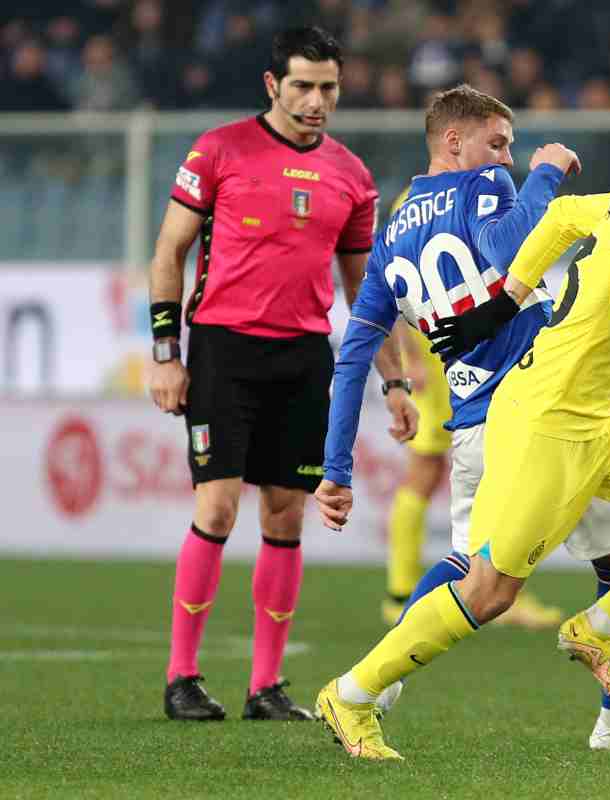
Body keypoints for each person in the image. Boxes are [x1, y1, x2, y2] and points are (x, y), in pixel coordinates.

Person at [315, 94, 610, 759]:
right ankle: (359, 690)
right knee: (484, 586)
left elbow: (566, 216)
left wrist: (503, 300)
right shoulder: (491, 187)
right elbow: (608, 278)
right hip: (535, 413)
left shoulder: (399, 230)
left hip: (581, 412)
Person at [147, 26, 412, 722]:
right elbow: (170, 252)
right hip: (223, 347)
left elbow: (366, 290)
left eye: (327, 87)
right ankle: (182, 677)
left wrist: (397, 380)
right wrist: (166, 355)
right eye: (302, 85)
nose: (316, 99)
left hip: (302, 355)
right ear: (273, 85)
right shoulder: (219, 149)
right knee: (217, 507)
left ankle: (266, 687)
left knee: (286, 514)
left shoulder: (352, 176)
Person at [380, 190, 564, 633]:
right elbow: (393, 285)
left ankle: (492, 586)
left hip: (478, 340)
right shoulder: (422, 198)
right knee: (430, 470)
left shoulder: (463, 189)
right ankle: (403, 592)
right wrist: (407, 357)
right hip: (444, 345)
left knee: (496, 472)